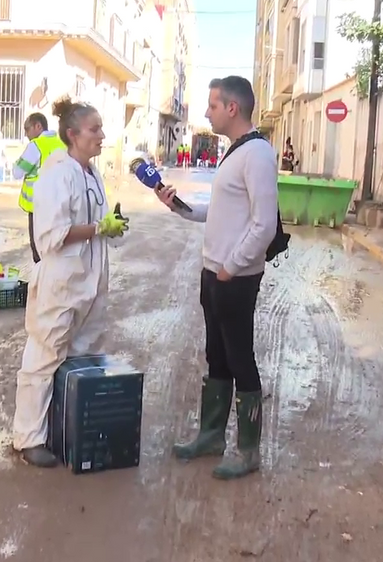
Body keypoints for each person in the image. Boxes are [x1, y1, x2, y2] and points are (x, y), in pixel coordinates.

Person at [155, 76, 278, 481]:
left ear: (232, 108)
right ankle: (211, 437)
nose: (206, 112)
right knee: (217, 356)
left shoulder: (257, 153)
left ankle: (248, 451)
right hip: (216, 274)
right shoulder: (236, 152)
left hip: (235, 278)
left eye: (212, 105)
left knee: (241, 358)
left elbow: (263, 225)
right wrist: (180, 208)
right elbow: (221, 211)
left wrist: (230, 266)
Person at [12, 96, 131, 468]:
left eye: (100, 128)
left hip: (91, 283)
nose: (102, 135)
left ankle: (66, 431)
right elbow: (51, 234)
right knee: (45, 358)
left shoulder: (91, 172)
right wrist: (98, 228)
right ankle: (28, 438)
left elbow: (96, 223)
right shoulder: (56, 171)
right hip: (62, 283)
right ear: (72, 134)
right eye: (94, 129)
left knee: (82, 359)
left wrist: (111, 225)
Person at [13, 112, 67, 263]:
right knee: (55, 247)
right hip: (59, 206)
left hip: (38, 207)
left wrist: (18, 162)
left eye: (27, 129)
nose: (26, 134)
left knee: (39, 250)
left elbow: (17, 172)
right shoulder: (62, 144)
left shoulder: (35, 145)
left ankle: (41, 284)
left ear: (38, 126)